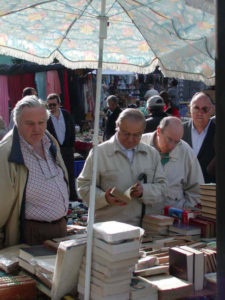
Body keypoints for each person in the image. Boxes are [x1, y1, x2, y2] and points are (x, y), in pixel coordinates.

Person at [77, 108, 167, 226]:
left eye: (136, 135)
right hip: (106, 228)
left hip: (141, 228)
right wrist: (104, 198)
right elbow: (83, 186)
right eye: (126, 133)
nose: (130, 139)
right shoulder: (99, 153)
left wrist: (144, 191)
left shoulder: (152, 154)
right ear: (117, 126)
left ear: (143, 132)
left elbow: (162, 187)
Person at [0, 96, 69, 248]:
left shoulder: (49, 140)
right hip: (30, 235)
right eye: (30, 124)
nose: (37, 129)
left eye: (41, 122)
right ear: (17, 123)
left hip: (60, 229)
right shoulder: (6, 153)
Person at [142, 117, 204, 212]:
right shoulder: (140, 143)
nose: (172, 146)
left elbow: (197, 189)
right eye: (169, 139)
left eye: (176, 142)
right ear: (159, 131)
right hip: (143, 217)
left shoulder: (185, 150)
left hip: (173, 220)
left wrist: (186, 213)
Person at [46, 93, 78, 201]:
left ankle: (73, 196)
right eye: (49, 105)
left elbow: (72, 130)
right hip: (54, 150)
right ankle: (60, 198)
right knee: (57, 175)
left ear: (59, 104)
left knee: (70, 173)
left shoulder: (66, 114)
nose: (51, 107)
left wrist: (71, 145)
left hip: (67, 148)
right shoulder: (46, 117)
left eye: (54, 105)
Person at [182, 92, 215, 183]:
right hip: (183, 191)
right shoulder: (180, 130)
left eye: (205, 109)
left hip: (210, 191)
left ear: (212, 110)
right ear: (190, 109)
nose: (200, 113)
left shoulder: (219, 132)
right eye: (196, 108)